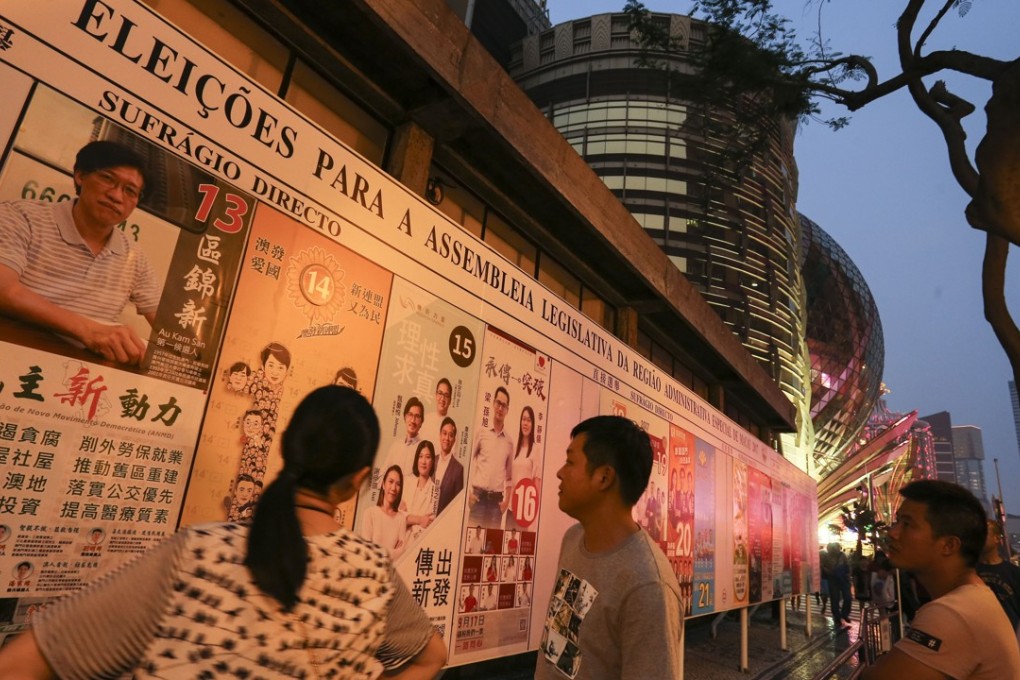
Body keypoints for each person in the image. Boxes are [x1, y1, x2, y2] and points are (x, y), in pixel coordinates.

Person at [0, 385, 446, 678]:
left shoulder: (195, 555)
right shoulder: (373, 574)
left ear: (284, 443)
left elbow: (22, 663)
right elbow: (433, 657)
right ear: (358, 480)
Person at [536, 415, 683, 680]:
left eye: (570, 462)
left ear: (604, 477)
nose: (560, 472)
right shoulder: (573, 539)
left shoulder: (648, 586)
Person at [0, 141, 161, 365]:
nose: (116, 196)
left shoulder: (134, 256)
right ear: (80, 175)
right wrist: (89, 330)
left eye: (130, 191)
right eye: (107, 179)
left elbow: (166, 325)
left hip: (79, 374)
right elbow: (4, 290)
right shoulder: (21, 216)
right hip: (12, 355)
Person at [862, 480, 1020, 680]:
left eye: (907, 524)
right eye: (897, 521)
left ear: (948, 545)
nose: (893, 532)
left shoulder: (954, 612)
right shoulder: (973, 598)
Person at [468, 387, 514, 528]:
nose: (500, 408)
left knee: (491, 547)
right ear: (493, 404)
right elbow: (468, 463)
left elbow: (509, 477)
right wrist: (469, 494)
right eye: (498, 403)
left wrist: (506, 502)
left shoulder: (509, 442)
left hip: (496, 504)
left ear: (507, 410)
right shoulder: (481, 433)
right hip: (478, 499)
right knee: (470, 545)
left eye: (504, 405)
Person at [976, 519, 1020, 633]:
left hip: (1010, 636)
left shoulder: (1014, 573)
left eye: (984, 533)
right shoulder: (968, 571)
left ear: (997, 539)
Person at [503, 405, 541, 531]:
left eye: (529, 420)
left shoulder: (535, 450)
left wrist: (532, 521)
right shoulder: (514, 450)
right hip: (511, 510)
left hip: (524, 513)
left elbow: (536, 487)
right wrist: (506, 500)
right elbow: (508, 478)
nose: (525, 423)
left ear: (533, 424)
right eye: (523, 419)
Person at [362, 465, 408, 559]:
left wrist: (376, 550)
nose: (394, 488)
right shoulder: (370, 513)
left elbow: (401, 554)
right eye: (390, 482)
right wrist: (391, 552)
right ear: (383, 484)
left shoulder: (401, 518)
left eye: (398, 484)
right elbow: (366, 552)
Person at [401, 440, 438, 543]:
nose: (423, 461)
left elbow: (428, 525)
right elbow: (398, 518)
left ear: (432, 462)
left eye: (428, 457)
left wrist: (408, 517)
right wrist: (420, 519)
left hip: (416, 545)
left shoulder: (435, 491)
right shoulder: (407, 483)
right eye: (420, 456)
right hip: (398, 542)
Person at [386, 397, 424, 475]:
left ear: (421, 422)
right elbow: (383, 472)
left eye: (417, 416)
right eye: (410, 414)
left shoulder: (423, 449)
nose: (413, 420)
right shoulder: (395, 446)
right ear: (405, 417)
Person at [435, 417, 464, 514]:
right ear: (439, 435)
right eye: (444, 433)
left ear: (454, 440)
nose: (447, 438)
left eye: (450, 435)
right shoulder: (431, 461)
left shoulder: (458, 469)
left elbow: (456, 505)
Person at [825, 542, 852, 628]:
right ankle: (837, 616)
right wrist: (829, 571)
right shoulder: (827, 556)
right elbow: (823, 567)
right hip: (833, 578)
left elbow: (847, 565)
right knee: (835, 598)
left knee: (848, 597)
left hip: (843, 578)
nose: (835, 550)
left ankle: (844, 614)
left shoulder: (842, 555)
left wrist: (848, 574)